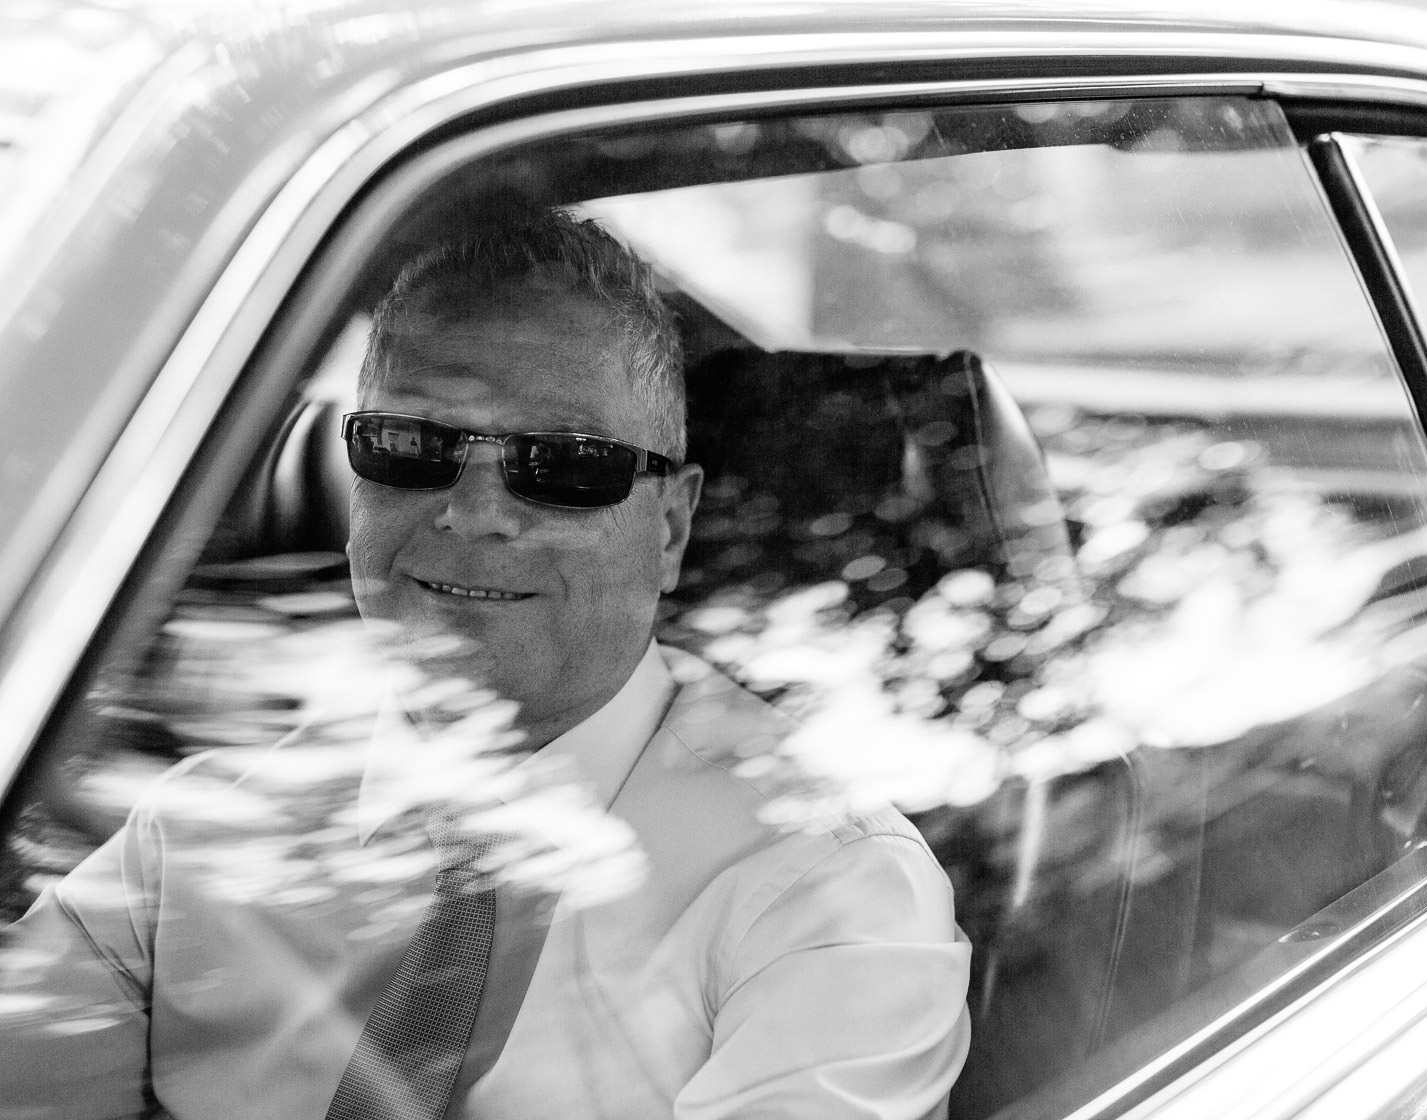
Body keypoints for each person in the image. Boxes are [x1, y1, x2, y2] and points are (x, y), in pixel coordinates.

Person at [0, 209, 972, 1118]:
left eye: (561, 462)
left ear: (671, 525)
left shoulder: (829, 894)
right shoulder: (202, 831)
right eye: (411, 445)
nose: (473, 511)